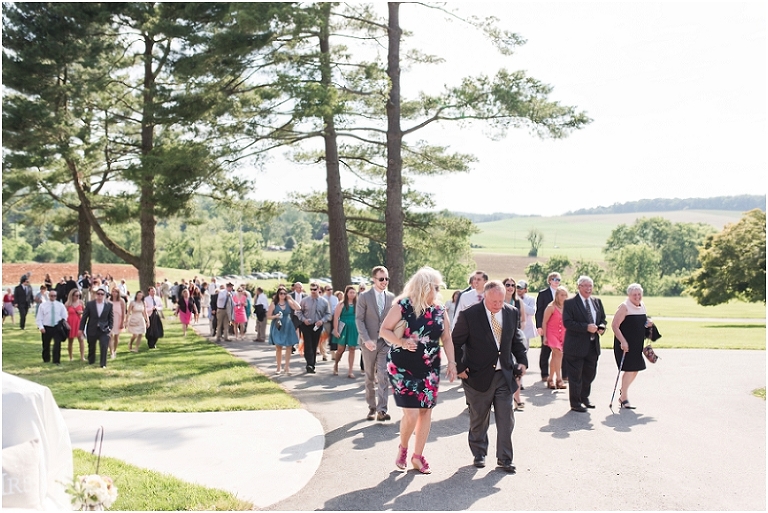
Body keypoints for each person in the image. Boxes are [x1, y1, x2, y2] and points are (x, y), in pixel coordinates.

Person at [380, 267, 457, 474]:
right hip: (402, 366)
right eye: (436, 286)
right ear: (425, 287)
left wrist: (452, 363)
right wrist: (402, 341)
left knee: (425, 411)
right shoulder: (402, 306)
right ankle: (403, 448)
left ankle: (418, 456)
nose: (438, 291)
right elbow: (384, 330)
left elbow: (447, 338)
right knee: (412, 413)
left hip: (429, 368)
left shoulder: (440, 310)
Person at [452, 280, 528, 474]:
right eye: (494, 301)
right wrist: (459, 367)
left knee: (506, 418)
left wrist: (522, 360)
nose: (498, 305)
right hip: (477, 376)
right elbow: (456, 342)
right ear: (484, 296)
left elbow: (516, 338)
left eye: (501, 300)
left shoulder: (511, 312)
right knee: (479, 418)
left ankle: (505, 458)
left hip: (504, 374)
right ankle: (479, 452)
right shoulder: (469, 315)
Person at [356, 265, 395, 421]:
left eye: (386, 278)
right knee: (370, 377)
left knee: (383, 375)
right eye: (381, 279)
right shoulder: (364, 297)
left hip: (385, 343)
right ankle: (372, 407)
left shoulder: (391, 297)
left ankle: (382, 409)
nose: (384, 281)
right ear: (374, 279)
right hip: (369, 343)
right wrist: (366, 340)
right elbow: (359, 319)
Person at [562, 275, 606, 413]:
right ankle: (575, 403)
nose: (588, 289)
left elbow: (603, 318)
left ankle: (584, 397)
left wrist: (602, 326)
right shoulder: (570, 303)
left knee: (589, 374)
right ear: (579, 287)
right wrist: (585, 327)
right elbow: (567, 322)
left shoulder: (597, 302)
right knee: (576, 376)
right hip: (575, 346)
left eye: (590, 286)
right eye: (585, 286)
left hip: (592, 346)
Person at [612, 283, 653, 410]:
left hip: (637, 344)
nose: (637, 296)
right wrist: (623, 342)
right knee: (629, 370)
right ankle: (624, 398)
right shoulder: (624, 307)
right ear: (629, 295)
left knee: (635, 369)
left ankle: (623, 392)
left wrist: (648, 323)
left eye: (639, 294)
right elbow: (615, 325)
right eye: (634, 294)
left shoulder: (642, 305)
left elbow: (640, 322)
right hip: (625, 344)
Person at [503, 277, 528, 410]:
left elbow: (523, 320)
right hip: (501, 340)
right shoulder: (497, 301)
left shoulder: (518, 302)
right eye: (508, 284)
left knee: (517, 369)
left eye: (513, 285)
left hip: (515, 339)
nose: (511, 287)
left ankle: (517, 398)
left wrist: (519, 332)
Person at [296, 282, 332, 374]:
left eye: (315, 289)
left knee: (314, 345)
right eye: (311, 289)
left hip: (317, 325)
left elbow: (328, 314)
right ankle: (309, 364)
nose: (313, 291)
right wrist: (304, 320)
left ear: (318, 289)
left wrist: (322, 321)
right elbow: (299, 312)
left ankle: (312, 364)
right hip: (307, 325)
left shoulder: (324, 302)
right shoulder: (305, 300)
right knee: (307, 344)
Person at [536, 272, 564, 383]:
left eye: (558, 279)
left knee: (559, 352)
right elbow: (539, 311)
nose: (556, 281)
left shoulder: (562, 293)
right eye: (554, 279)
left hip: (559, 328)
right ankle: (544, 374)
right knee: (546, 350)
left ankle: (560, 374)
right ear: (549, 281)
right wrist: (539, 326)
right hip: (546, 326)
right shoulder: (543, 294)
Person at [267, 287, 302, 375]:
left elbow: (298, 308)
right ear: (278, 294)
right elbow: (268, 316)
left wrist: (291, 299)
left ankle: (287, 366)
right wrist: (275, 316)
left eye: (284, 293)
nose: (283, 295)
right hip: (278, 325)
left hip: (288, 325)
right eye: (281, 293)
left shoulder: (288, 302)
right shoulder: (274, 304)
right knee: (278, 347)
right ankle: (278, 367)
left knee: (289, 347)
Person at [79, 288, 114, 368]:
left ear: (105, 296)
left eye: (102, 294)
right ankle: (91, 360)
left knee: (104, 345)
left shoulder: (109, 305)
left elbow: (111, 318)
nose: (100, 296)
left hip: (104, 329)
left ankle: (103, 364)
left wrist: (110, 328)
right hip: (92, 328)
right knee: (91, 346)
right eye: (98, 294)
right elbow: (84, 317)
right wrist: (81, 329)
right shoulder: (90, 304)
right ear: (95, 295)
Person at [542, 286, 569, 390]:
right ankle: (559, 379)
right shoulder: (551, 307)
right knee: (559, 353)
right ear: (557, 295)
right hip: (551, 333)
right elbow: (544, 322)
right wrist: (545, 336)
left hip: (562, 333)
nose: (564, 297)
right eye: (561, 295)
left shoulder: (567, 307)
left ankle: (550, 379)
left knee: (555, 356)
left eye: (565, 295)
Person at [331, 286, 360, 378]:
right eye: (350, 292)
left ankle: (350, 371)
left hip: (354, 328)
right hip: (343, 327)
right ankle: (336, 364)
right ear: (346, 293)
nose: (352, 294)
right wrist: (336, 330)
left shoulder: (358, 304)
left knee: (352, 348)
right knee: (340, 349)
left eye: (353, 292)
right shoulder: (341, 304)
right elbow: (336, 317)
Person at [35, 289, 68, 365]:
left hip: (57, 327)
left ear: (56, 296)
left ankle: (56, 360)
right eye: (51, 296)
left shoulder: (60, 305)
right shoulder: (43, 305)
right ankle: (46, 359)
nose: (53, 297)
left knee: (57, 344)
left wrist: (62, 324)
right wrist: (41, 327)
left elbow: (64, 316)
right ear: (48, 296)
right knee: (46, 344)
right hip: (47, 327)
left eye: (54, 296)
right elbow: (39, 318)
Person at [65, 288, 86, 362]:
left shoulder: (81, 302)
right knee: (70, 341)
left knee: (81, 340)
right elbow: (64, 315)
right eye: (76, 295)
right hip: (70, 323)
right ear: (72, 295)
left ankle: (82, 356)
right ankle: (71, 357)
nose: (77, 297)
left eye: (79, 295)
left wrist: (82, 313)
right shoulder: (67, 304)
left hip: (79, 323)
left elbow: (86, 312)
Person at [108, 288, 126, 359]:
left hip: (118, 319)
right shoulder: (109, 300)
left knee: (116, 336)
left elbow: (124, 312)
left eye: (116, 292)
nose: (114, 293)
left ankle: (115, 350)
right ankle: (111, 351)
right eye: (113, 291)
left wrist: (122, 322)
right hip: (110, 319)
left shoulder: (121, 301)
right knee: (110, 336)